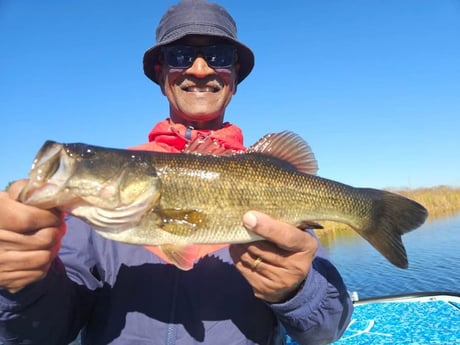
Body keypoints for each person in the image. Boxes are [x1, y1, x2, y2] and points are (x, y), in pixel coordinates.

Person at [0, 0, 353, 344]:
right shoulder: (86, 210)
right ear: (160, 72)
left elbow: (325, 331)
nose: (200, 70)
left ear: (235, 75)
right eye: (180, 56)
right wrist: (21, 283)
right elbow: (40, 334)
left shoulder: (269, 182)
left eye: (218, 56)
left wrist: (296, 290)